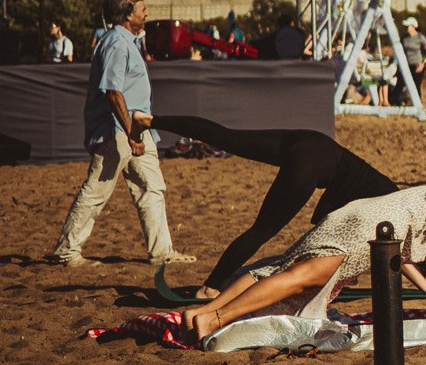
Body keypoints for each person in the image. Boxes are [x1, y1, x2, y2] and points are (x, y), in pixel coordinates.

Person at [183, 185, 426, 340]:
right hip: (375, 226)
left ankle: (200, 314)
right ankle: (216, 319)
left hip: (368, 214)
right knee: (305, 276)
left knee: (282, 270)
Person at [152, 115, 397, 291]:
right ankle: (211, 287)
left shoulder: (391, 193)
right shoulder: (394, 213)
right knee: (262, 230)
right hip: (311, 164)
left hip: (313, 141)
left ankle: (150, 121)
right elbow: (392, 254)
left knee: (228, 138)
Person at [46, 0, 191, 269]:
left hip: (137, 128)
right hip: (120, 131)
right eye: (141, 8)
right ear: (127, 14)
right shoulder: (116, 43)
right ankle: (66, 251)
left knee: (152, 188)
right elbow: (113, 91)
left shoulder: (126, 41)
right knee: (97, 190)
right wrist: (130, 132)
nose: (146, 12)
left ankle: (162, 252)